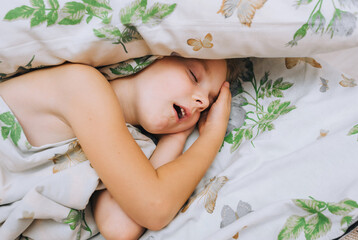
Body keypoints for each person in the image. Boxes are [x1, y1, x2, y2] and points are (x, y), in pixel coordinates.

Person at [0, 56, 234, 239]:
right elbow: (155, 207)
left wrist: (177, 136)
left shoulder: (136, 144)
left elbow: (120, 226)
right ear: (153, 58)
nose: (203, 101)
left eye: (209, 104)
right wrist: (212, 135)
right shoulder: (82, 85)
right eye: (193, 75)